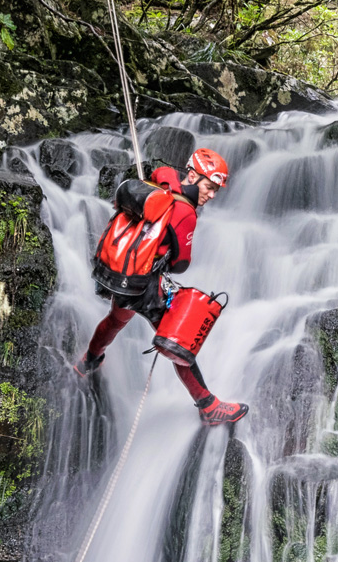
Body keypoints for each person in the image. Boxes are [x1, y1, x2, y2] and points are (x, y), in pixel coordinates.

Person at [76, 147, 248, 426]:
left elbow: (161, 172)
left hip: (120, 272)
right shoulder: (185, 213)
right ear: (192, 176)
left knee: (116, 320)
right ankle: (208, 406)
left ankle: (89, 361)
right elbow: (181, 263)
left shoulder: (166, 181)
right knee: (179, 341)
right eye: (209, 186)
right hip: (143, 284)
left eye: (217, 189)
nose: (212, 194)